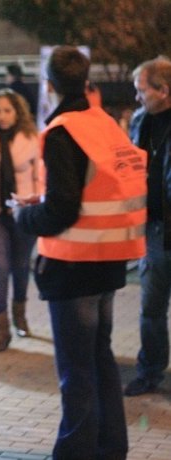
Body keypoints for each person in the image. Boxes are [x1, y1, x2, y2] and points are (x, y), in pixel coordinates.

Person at [16, 46, 147, 459]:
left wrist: (24, 216)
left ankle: (74, 452)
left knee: (76, 371)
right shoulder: (104, 123)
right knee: (100, 360)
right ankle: (110, 448)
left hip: (73, 266)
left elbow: (61, 210)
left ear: (49, 85)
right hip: (110, 261)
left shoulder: (62, 131)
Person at [0, 88, 43, 351]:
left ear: (18, 112)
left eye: (7, 110)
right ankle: (1, 329)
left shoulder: (32, 138)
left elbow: (40, 177)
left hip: (23, 212)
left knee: (19, 266)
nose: (2, 116)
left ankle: (20, 315)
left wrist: (37, 202)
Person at [125, 56, 171, 396]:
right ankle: (150, 371)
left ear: (163, 91)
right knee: (151, 307)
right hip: (154, 228)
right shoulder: (140, 120)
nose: (137, 97)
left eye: (142, 90)